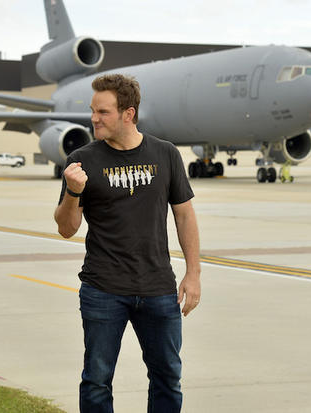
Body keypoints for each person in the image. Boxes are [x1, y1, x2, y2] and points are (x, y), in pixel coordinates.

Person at [54, 74, 201, 413]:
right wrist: (73, 192)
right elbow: (66, 228)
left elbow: (184, 216)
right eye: (93, 110)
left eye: (103, 112)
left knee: (167, 378)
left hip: (158, 289)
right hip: (103, 289)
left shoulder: (165, 155)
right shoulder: (82, 159)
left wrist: (193, 274)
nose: (94, 119)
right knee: (96, 381)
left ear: (128, 114)